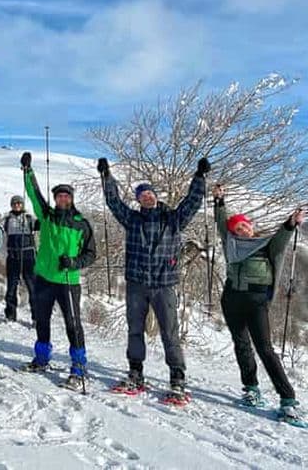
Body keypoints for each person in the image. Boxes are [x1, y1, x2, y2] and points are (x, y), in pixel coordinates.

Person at [98, 156, 209, 402]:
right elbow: (113, 202)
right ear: (138, 201)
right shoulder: (132, 219)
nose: (147, 197)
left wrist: (199, 177)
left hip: (163, 285)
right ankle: (136, 372)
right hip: (137, 285)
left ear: (156, 197)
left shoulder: (173, 219)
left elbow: (192, 202)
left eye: (149, 194)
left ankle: (177, 378)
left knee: (170, 332)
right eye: (142, 195)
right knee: (135, 330)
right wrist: (107, 177)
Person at [213, 184, 305, 422]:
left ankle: (287, 400)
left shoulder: (266, 244)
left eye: (244, 225)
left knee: (265, 349)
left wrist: (291, 223)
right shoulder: (230, 243)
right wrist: (219, 201)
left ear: (251, 226)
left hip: (256, 301)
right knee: (241, 344)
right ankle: (251, 389)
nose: (242, 229)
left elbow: (282, 239)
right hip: (232, 298)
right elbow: (221, 223)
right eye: (237, 228)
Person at [20, 152, 95, 390]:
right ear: (55, 199)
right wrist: (27, 171)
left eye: (66, 196)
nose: (62, 199)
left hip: (68, 281)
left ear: (71, 199)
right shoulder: (47, 216)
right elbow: (34, 195)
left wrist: (73, 262)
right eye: (59, 196)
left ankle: (79, 367)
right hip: (44, 278)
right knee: (42, 321)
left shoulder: (81, 223)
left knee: (73, 324)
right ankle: (41, 359)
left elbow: (91, 254)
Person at [3, 194, 39, 322]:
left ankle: (37, 317)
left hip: (28, 257)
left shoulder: (29, 218)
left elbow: (41, 225)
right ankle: (10, 315)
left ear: (22, 205)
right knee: (11, 288)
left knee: (32, 288)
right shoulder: (7, 220)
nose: (17, 205)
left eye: (19, 203)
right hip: (13, 257)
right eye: (14, 203)